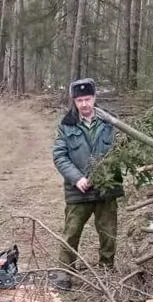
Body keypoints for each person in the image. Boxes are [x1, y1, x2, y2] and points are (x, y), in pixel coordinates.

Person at [51, 78, 124, 289]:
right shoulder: (66, 125)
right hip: (78, 192)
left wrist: (107, 172)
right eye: (80, 100)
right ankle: (65, 275)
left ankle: (106, 273)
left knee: (108, 234)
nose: (84, 104)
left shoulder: (110, 121)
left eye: (88, 99)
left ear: (94, 98)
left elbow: (122, 150)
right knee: (71, 233)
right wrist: (77, 179)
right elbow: (60, 156)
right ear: (74, 101)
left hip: (107, 189)